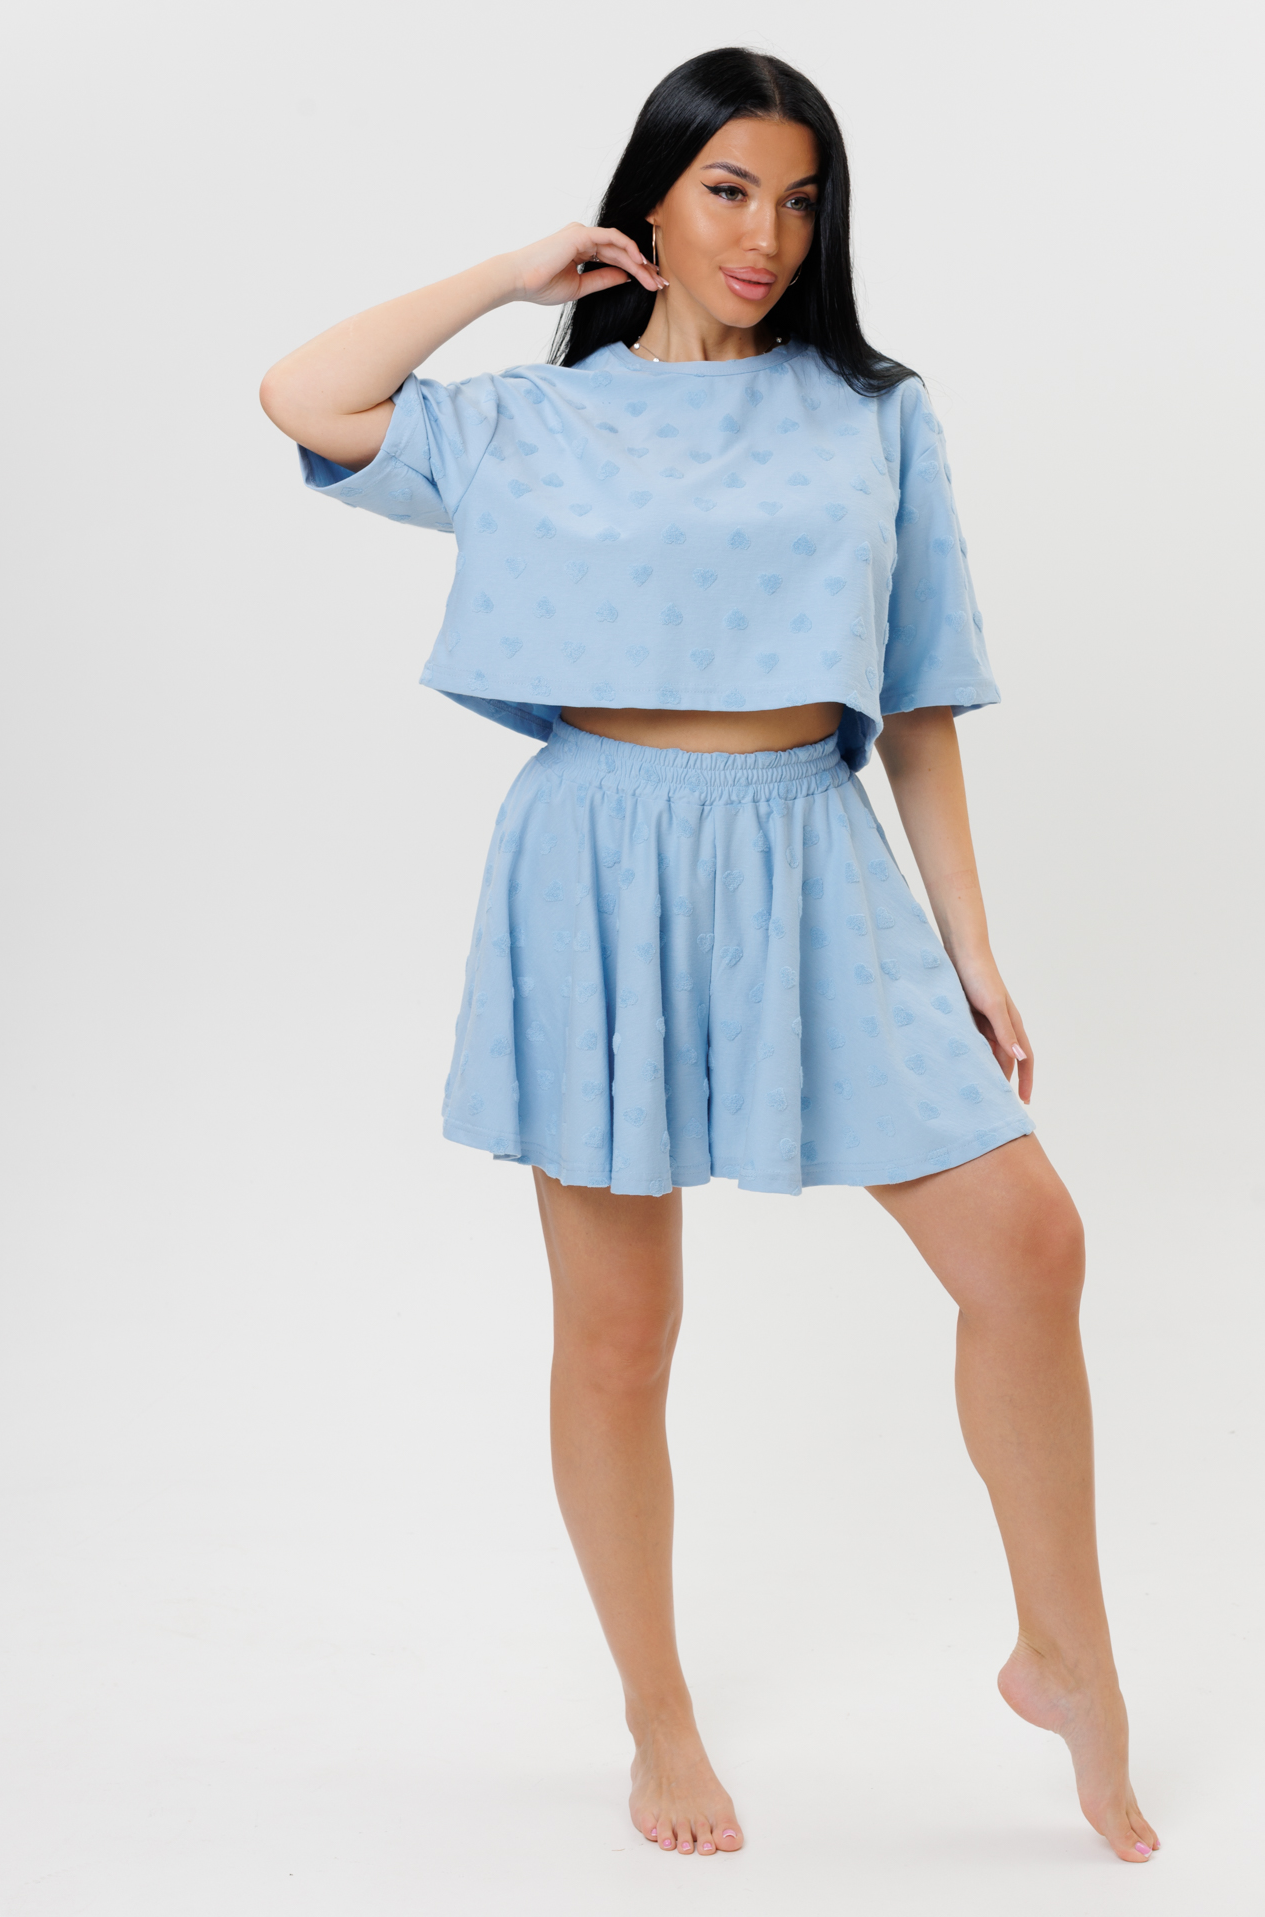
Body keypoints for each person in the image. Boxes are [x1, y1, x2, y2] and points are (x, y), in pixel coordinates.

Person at [259, 46, 1158, 1865]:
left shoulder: (870, 413)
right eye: (729, 189)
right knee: (619, 1335)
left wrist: (971, 946)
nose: (766, 234)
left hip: (810, 855)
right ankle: (653, 1712)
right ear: (651, 205)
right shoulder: (531, 419)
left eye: (799, 200)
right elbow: (304, 393)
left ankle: (1063, 1653)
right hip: (596, 859)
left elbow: (917, 693)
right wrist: (513, 275)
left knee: (1028, 1241)